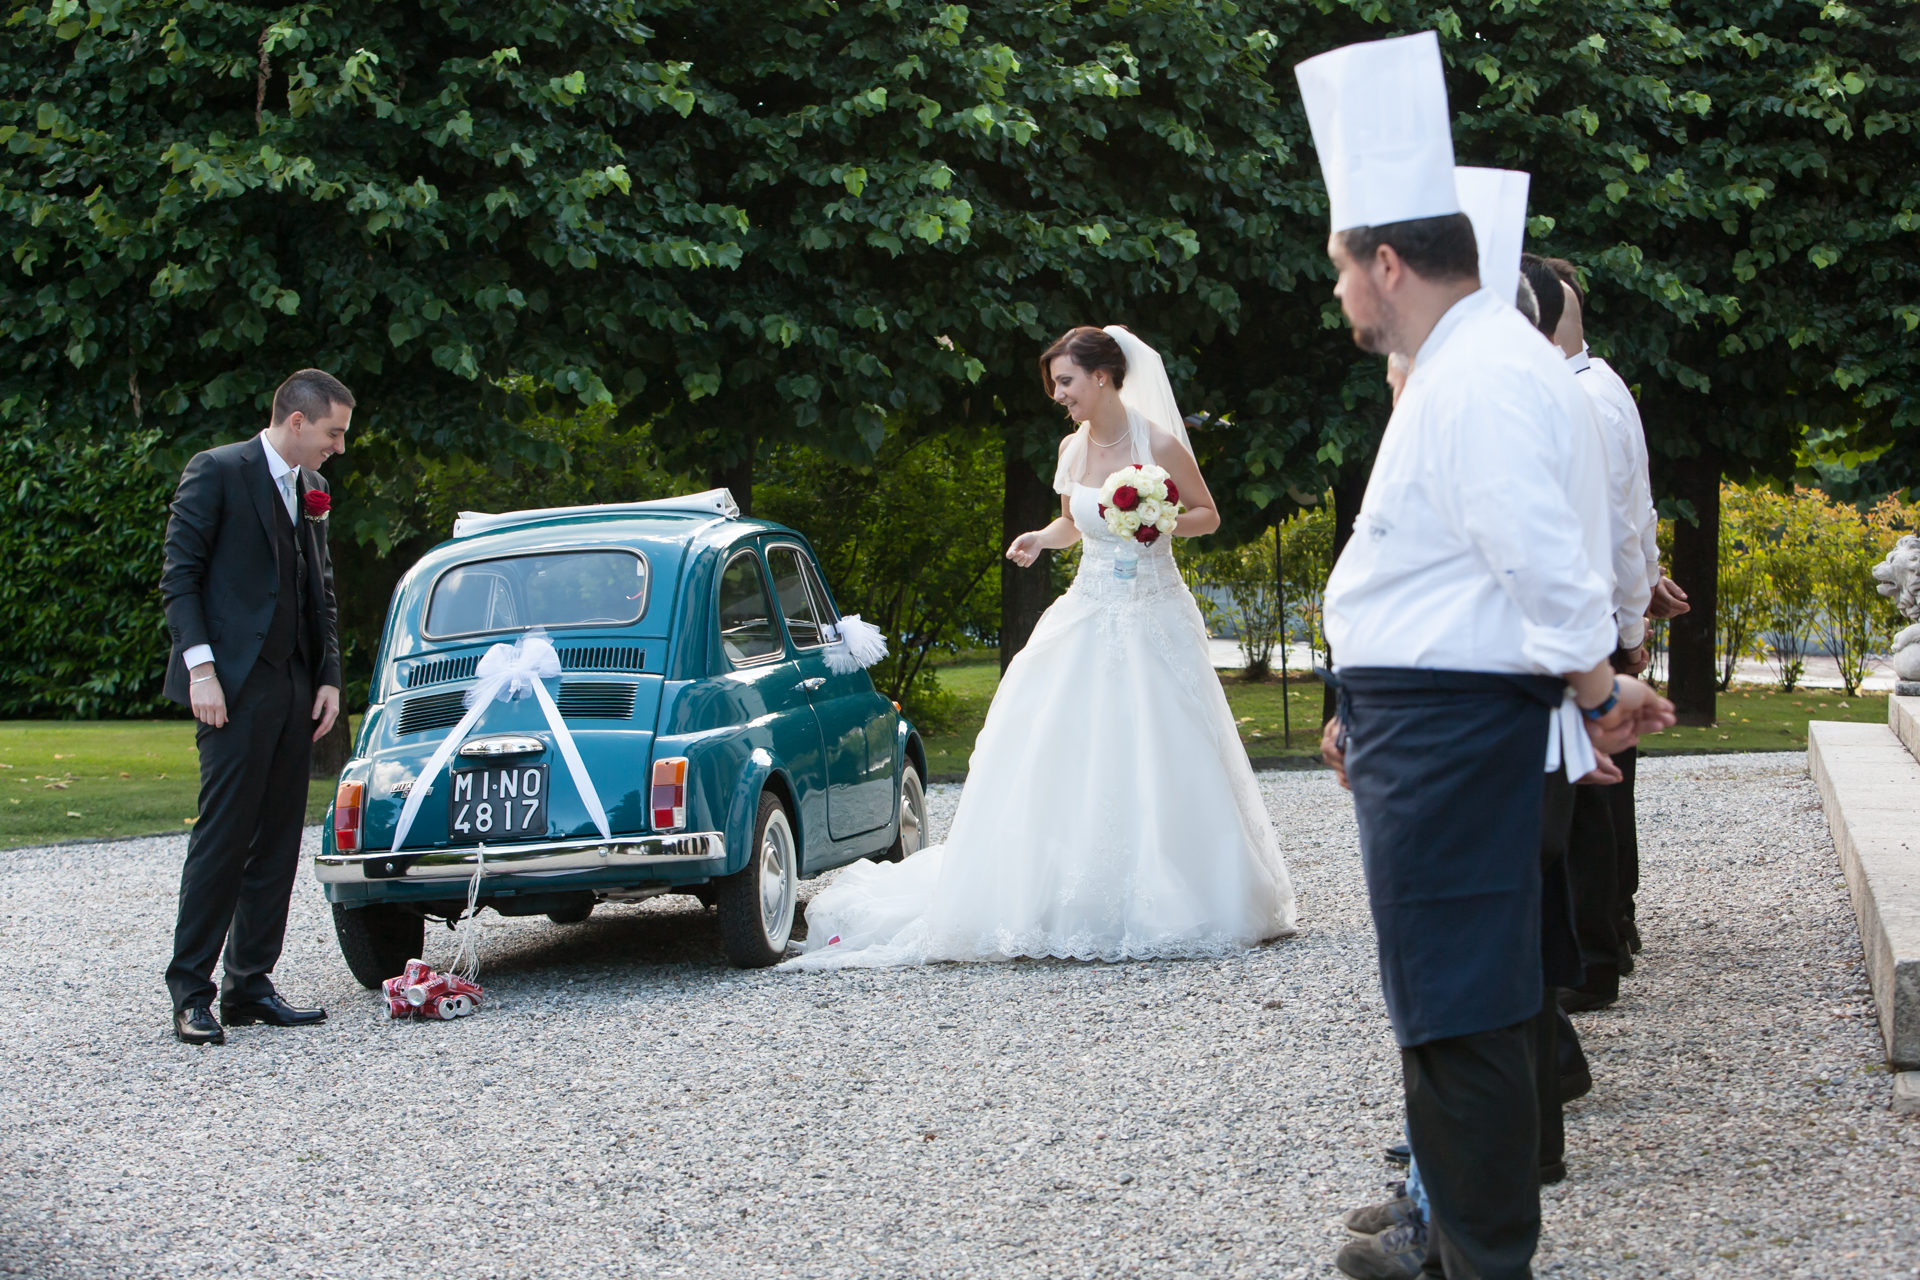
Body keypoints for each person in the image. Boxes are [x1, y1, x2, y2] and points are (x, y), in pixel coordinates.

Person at [1295, 30, 1674, 1280]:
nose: (1338, 290)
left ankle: (1482, 1255)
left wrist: (1594, 679)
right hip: (1438, 718)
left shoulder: (1480, 377)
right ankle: (1466, 1238)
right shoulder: (1471, 362)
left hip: (1453, 727)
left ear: (1388, 262)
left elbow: (1544, 563)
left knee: (1457, 1001)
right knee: (1468, 992)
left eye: (1343, 266)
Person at [782, 325, 1296, 970]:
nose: (1059, 395)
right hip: (1087, 610)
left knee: (1163, 743)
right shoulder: (1071, 448)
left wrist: (1155, 521)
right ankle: (1059, 891)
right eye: (1056, 384)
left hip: (1153, 612)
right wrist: (1041, 539)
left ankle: (1183, 892)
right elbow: (1069, 520)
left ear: (1102, 376)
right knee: (1059, 739)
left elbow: (1208, 515)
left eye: (1066, 382)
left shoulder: (1157, 442)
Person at [159, 369, 352, 1045]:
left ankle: (250, 985)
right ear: (296, 422)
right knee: (224, 837)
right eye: (334, 432)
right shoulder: (215, 471)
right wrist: (202, 671)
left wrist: (327, 677)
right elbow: (180, 578)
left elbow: (319, 589)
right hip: (231, 686)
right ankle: (191, 991)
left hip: (295, 686)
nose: (339, 447)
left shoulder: (312, 491)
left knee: (276, 838)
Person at [1541, 257, 1690, 976]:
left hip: (1581, 619)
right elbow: (1638, 511)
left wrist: (1629, 626)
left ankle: (1595, 950)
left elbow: (1616, 520)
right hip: (1603, 610)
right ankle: (1611, 926)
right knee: (1599, 791)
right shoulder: (1602, 385)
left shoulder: (1576, 400)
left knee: (1584, 797)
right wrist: (1642, 596)